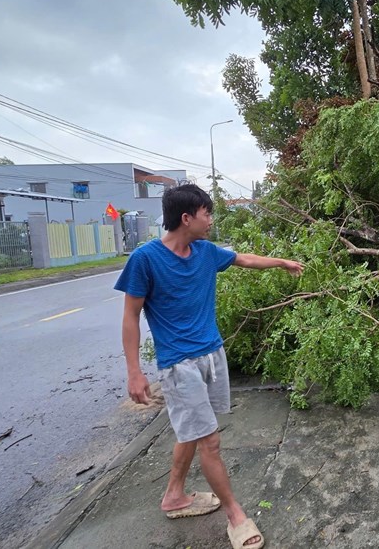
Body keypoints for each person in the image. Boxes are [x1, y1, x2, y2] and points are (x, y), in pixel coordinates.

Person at [115, 184, 303, 549]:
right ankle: (236, 516)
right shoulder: (145, 259)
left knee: (195, 430)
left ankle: (173, 496)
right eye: (207, 213)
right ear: (187, 218)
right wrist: (134, 371)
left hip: (212, 355)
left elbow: (244, 259)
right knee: (210, 441)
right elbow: (130, 316)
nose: (211, 219)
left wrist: (282, 262)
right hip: (179, 365)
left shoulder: (204, 252)